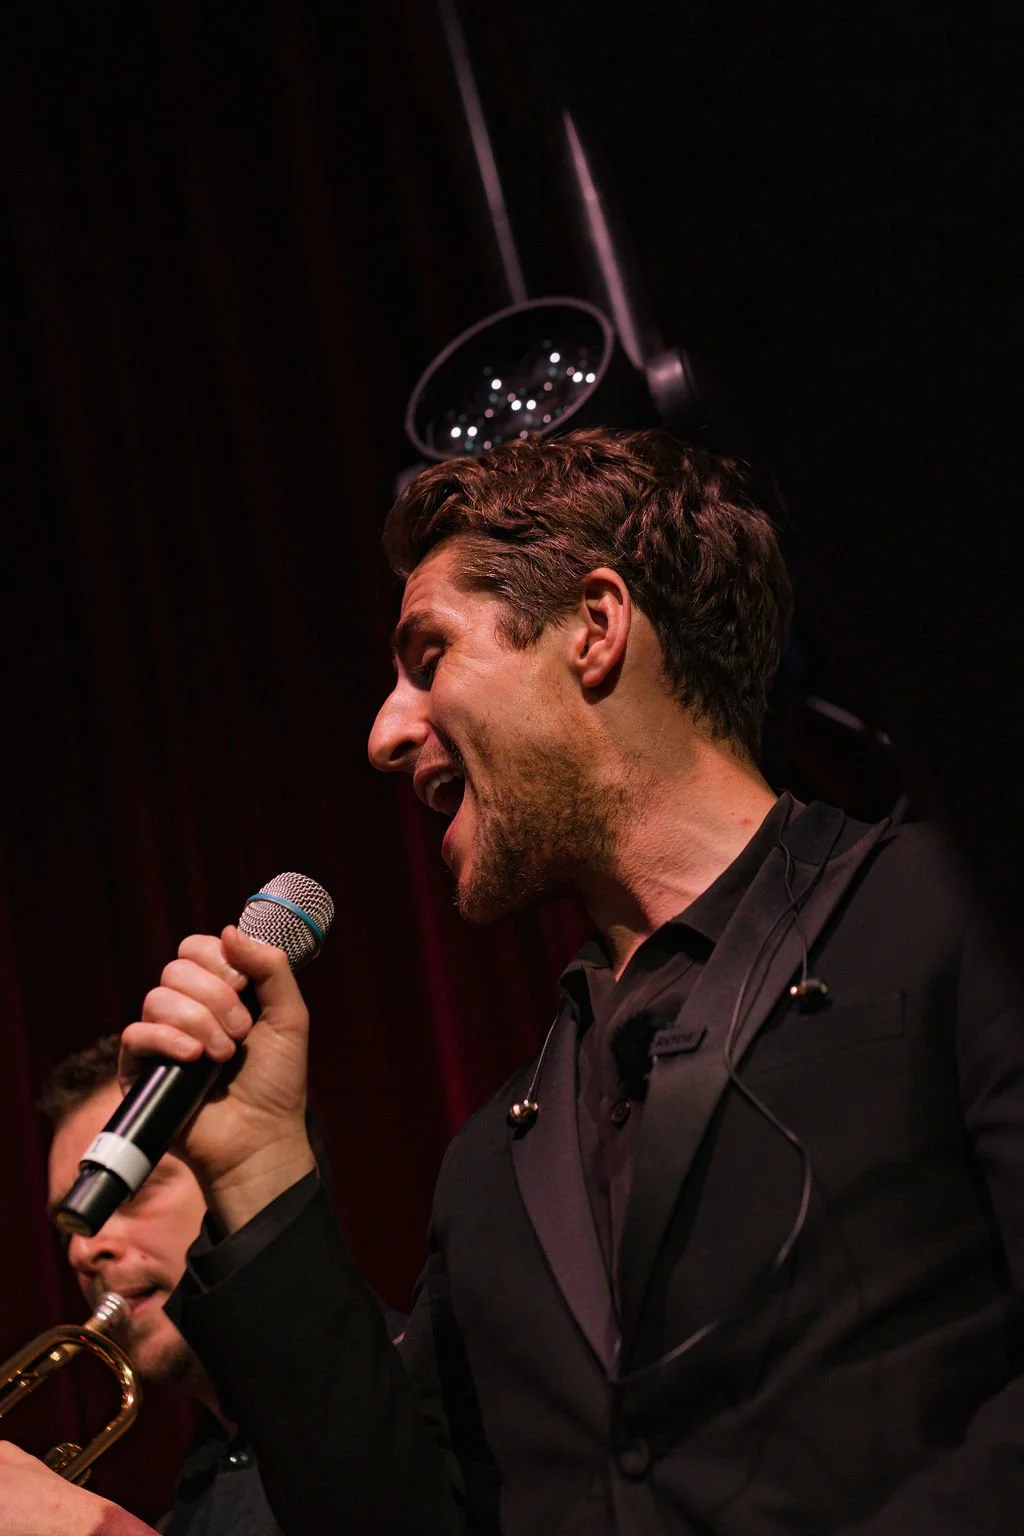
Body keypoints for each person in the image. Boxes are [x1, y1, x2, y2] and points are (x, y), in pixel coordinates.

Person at [15, 426, 1024, 1533]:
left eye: (427, 657)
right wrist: (258, 1168)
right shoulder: (494, 1164)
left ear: (594, 628)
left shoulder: (950, 913)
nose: (384, 735)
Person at [0, 1036, 403, 1535]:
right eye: (67, 1228)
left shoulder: (443, 1387)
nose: (82, 1251)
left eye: (128, 1192)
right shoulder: (192, 1506)